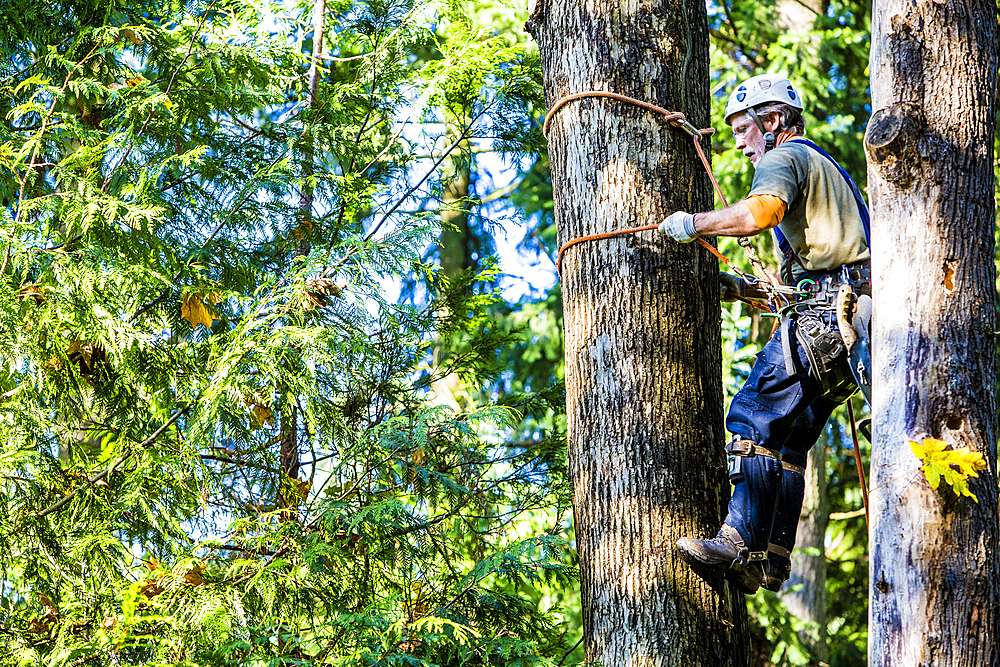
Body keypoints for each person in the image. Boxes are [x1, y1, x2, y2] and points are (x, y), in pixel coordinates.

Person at [658, 74, 871, 594]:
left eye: (743, 128)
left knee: (754, 419)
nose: (737, 141)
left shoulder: (785, 158)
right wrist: (742, 288)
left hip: (826, 317)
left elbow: (761, 212)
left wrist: (694, 223)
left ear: (772, 121)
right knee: (788, 439)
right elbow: (818, 268)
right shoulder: (825, 169)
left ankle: (738, 543)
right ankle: (769, 560)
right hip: (852, 325)